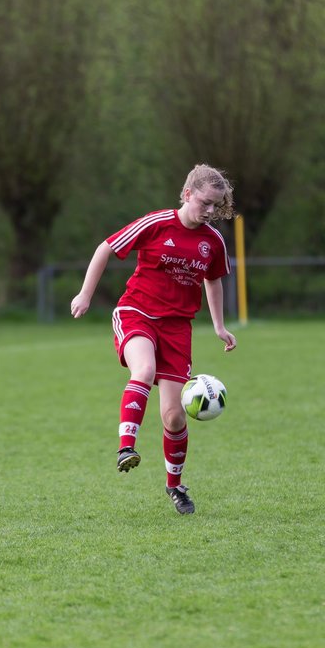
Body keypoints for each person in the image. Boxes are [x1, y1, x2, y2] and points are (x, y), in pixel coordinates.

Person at [70, 164, 237, 515]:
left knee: (175, 417)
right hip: (137, 313)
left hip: (177, 329)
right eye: (205, 203)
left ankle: (175, 486)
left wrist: (220, 326)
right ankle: (125, 448)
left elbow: (213, 281)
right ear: (188, 193)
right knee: (143, 369)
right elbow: (106, 247)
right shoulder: (157, 223)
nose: (210, 211)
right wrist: (86, 294)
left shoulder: (213, 241)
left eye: (216, 206)